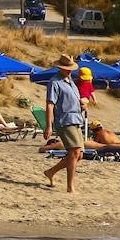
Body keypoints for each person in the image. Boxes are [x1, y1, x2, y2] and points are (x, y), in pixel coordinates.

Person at [44, 54, 84, 193]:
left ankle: (51, 172)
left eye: (70, 68)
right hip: (65, 121)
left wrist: (82, 105)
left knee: (79, 155)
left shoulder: (71, 81)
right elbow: (50, 104)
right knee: (74, 152)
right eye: (66, 68)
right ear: (60, 67)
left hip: (77, 119)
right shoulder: (55, 82)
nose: (69, 70)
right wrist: (48, 126)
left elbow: (73, 101)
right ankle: (70, 187)